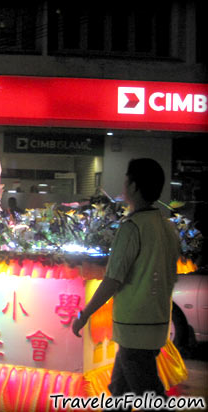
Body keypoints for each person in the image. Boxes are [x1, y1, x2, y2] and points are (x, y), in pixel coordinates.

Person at [72, 158, 180, 407]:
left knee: (147, 393)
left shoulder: (132, 228)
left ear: (132, 185)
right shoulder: (166, 228)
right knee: (120, 389)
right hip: (156, 324)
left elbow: (112, 280)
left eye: (126, 178)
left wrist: (85, 314)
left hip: (134, 325)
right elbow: (171, 276)